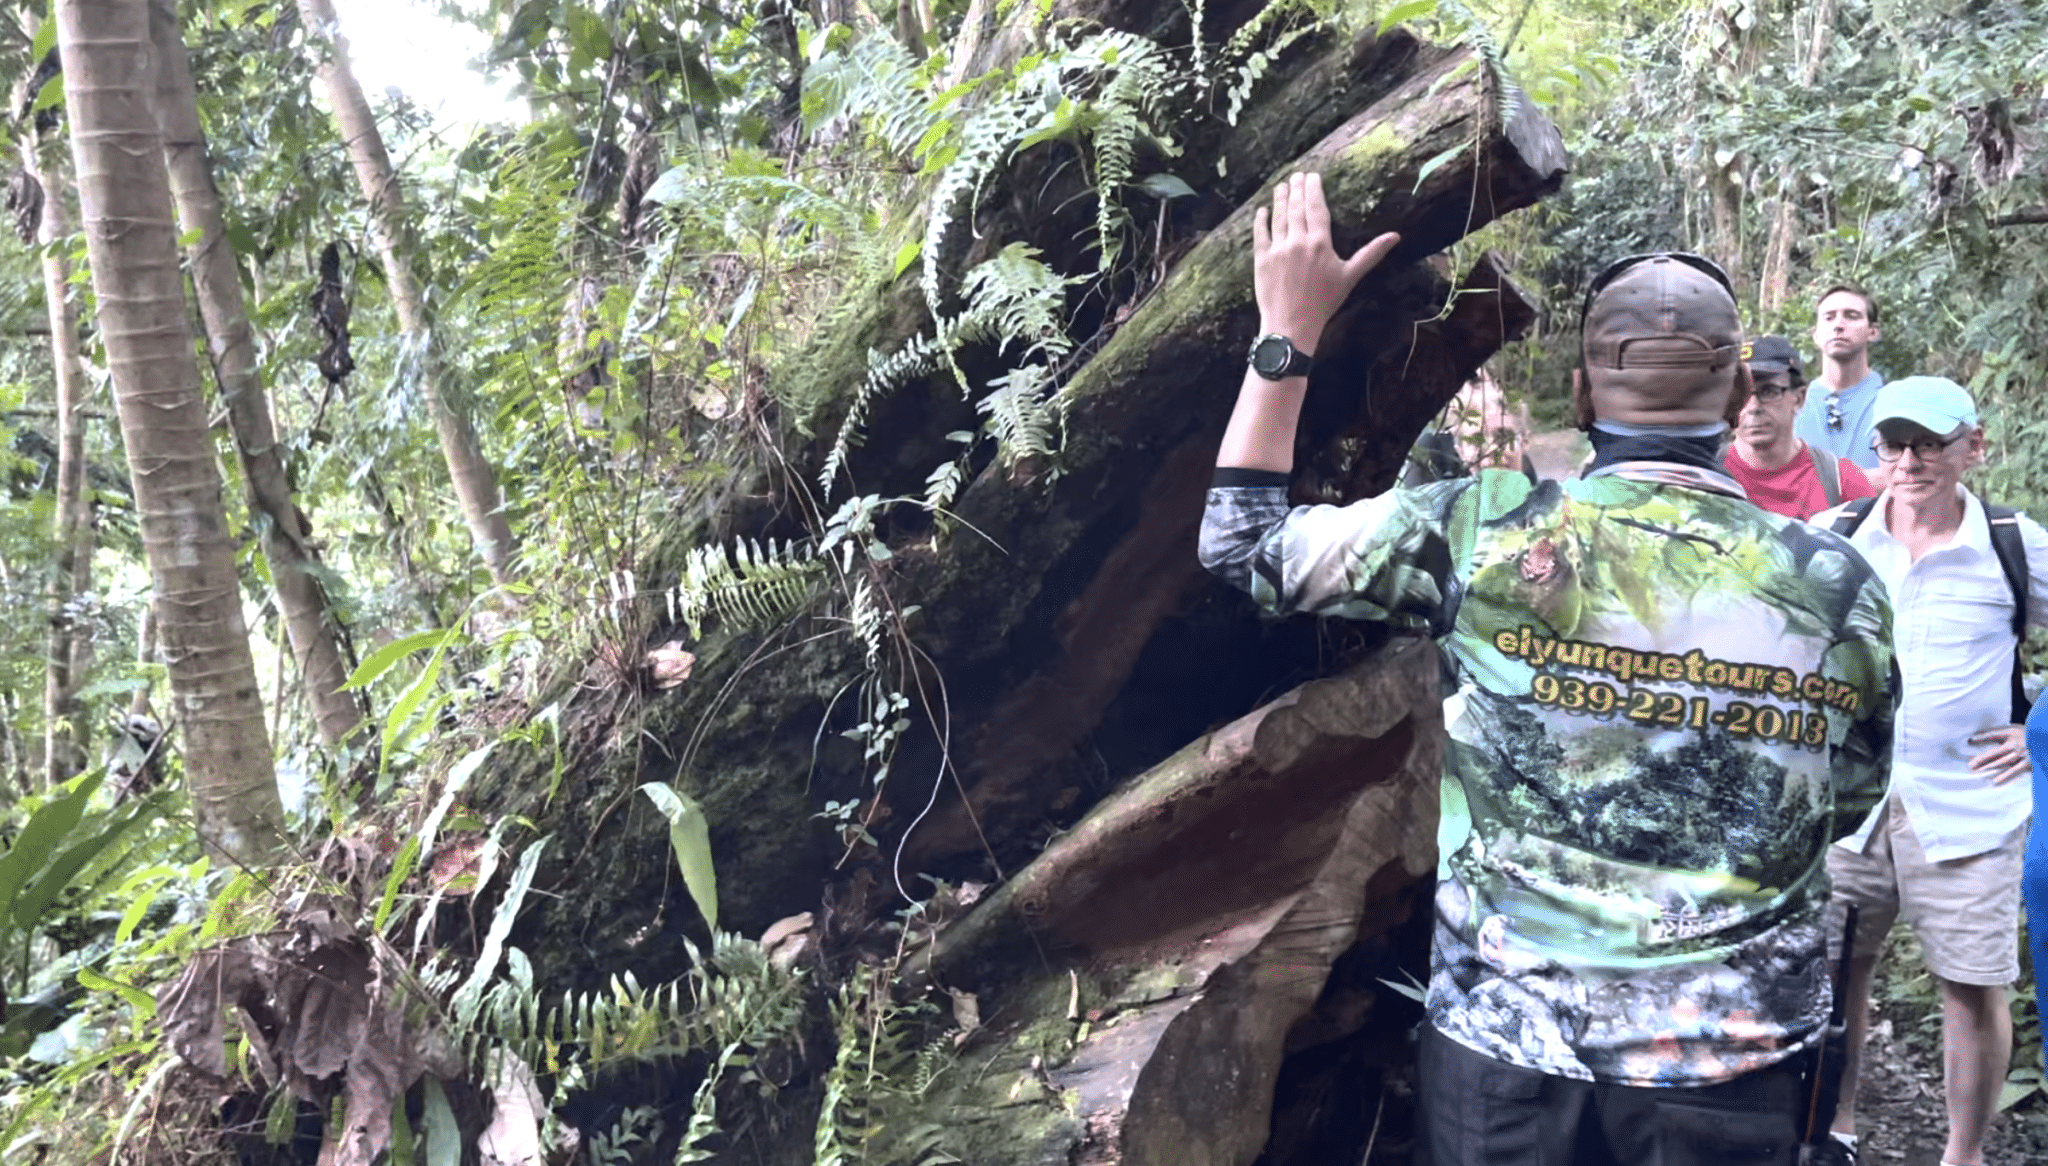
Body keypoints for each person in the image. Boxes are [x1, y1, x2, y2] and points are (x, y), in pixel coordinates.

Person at [1199, 171, 1895, 1166]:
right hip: (1731, 1073)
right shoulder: (1838, 583)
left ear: (1578, 393)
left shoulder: (1487, 528)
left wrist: (1288, 328)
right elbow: (1849, 793)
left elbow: (1240, 544)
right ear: (1739, 395)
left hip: (1505, 1063)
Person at [1814, 376, 2048, 1166]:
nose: (1909, 461)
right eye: (1893, 444)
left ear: (1970, 447)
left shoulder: (2015, 544)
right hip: (1849, 803)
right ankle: (1835, 1130)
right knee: (1836, 973)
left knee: (1973, 985)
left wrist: (2038, 728)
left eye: (1929, 443)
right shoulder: (1835, 536)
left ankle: (1964, 1154)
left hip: (1969, 802)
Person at [1722, 335, 1874, 519]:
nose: (1753, 407)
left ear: (1799, 398)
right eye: (1741, 393)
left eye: (1769, 392)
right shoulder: (1706, 476)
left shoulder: (1843, 482)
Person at [1794, 285, 1886, 470]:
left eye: (1852, 316)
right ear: (1816, 335)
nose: (1838, 325)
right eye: (1829, 318)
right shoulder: (1793, 406)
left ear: (1873, 331)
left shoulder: (1892, 402)